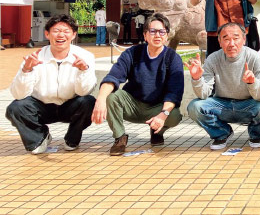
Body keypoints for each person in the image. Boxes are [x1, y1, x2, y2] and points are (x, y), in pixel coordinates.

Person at [91, 13, 184, 155]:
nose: (157, 35)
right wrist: (100, 99)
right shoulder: (132, 53)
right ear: (145, 35)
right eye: (152, 31)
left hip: (157, 107)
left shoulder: (173, 58)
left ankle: (157, 131)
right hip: (133, 105)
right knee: (111, 96)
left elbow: (174, 92)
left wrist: (162, 115)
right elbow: (114, 76)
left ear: (166, 36)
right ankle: (120, 137)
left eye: (162, 32)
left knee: (174, 115)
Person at [6, 14, 96, 154]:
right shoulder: (34, 58)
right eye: (56, 31)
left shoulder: (85, 57)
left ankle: (72, 139)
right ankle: (39, 137)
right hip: (41, 107)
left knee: (89, 102)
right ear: (47, 34)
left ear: (73, 35)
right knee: (16, 108)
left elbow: (84, 92)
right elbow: (19, 95)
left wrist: (83, 71)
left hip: (70, 106)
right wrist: (26, 70)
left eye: (66, 31)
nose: (61, 35)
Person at [186, 22, 260, 149]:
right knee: (194, 107)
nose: (231, 44)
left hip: (248, 104)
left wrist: (252, 82)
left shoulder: (255, 58)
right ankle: (222, 133)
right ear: (219, 41)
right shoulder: (213, 59)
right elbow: (203, 94)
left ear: (244, 40)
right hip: (221, 104)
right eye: (226, 39)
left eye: (236, 38)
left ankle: (255, 134)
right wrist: (197, 78)